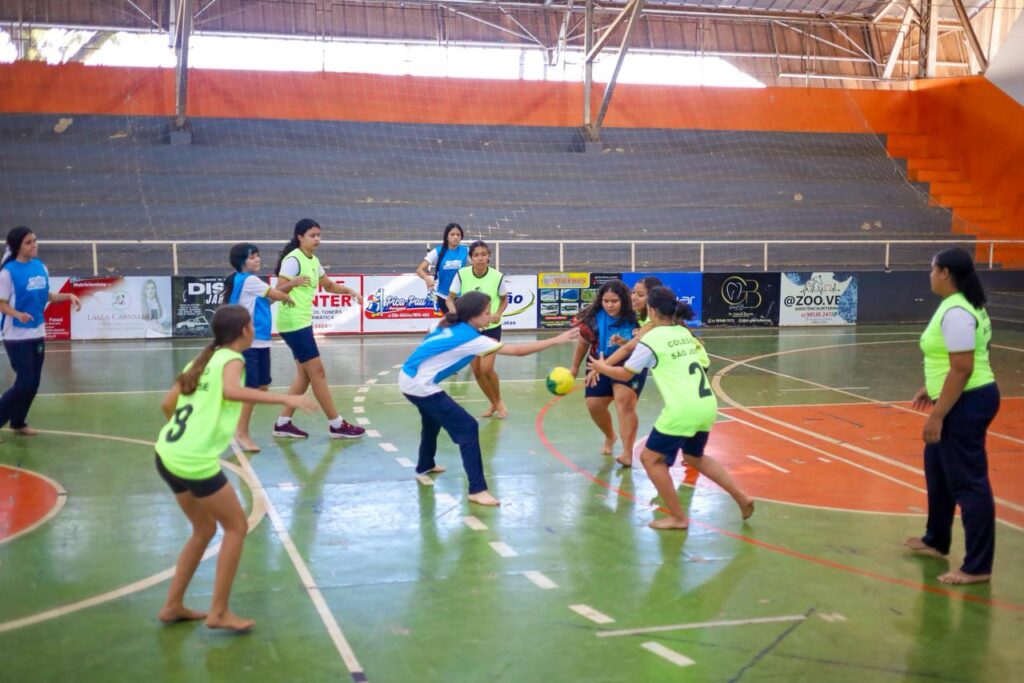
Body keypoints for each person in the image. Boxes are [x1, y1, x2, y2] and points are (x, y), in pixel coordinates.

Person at [155, 305, 316, 631]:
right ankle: (218, 612)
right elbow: (231, 390)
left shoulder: (201, 361)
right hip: (194, 462)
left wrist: (188, 434)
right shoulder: (232, 359)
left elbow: (167, 404)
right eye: (251, 324)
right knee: (236, 527)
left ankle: (172, 605)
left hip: (167, 454)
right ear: (245, 330)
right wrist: (288, 400)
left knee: (204, 529)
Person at [588, 286, 754, 530]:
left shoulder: (651, 339)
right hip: (706, 404)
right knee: (694, 457)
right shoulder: (683, 332)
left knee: (649, 459)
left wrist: (602, 368)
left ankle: (678, 517)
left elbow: (626, 374)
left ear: (652, 310)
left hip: (682, 410)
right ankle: (742, 497)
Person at [401, 291, 578, 506]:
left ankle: (425, 464)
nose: (491, 315)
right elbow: (518, 351)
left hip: (409, 378)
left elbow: (431, 337)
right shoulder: (472, 339)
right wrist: (555, 340)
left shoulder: (449, 323)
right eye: (487, 313)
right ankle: (477, 490)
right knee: (467, 427)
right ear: (473, 316)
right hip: (420, 385)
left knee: (432, 420)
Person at [905, 247, 1000, 586]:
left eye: (932, 269)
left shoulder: (958, 310)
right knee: (937, 469)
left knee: (968, 483)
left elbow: (963, 367)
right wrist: (930, 387)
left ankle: (978, 566)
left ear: (945, 273)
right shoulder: (960, 305)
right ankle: (936, 539)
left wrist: (938, 415)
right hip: (961, 396)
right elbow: (958, 358)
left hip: (967, 402)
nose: (929, 275)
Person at [272, 218, 366, 439]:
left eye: (318, 235)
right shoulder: (293, 260)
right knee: (318, 373)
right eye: (312, 235)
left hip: (302, 322)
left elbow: (329, 286)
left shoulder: (313, 261)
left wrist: (351, 291)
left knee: (305, 376)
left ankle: (283, 423)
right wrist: (292, 285)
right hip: (293, 323)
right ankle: (336, 424)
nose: (317, 239)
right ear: (300, 237)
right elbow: (277, 291)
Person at [223, 242, 306, 452]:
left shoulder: (250, 283)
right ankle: (241, 432)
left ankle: (237, 421)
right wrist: (288, 295)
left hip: (260, 341)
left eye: (258, 255)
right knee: (252, 389)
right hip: (248, 342)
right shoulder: (249, 280)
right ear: (241, 262)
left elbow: (268, 300)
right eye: (252, 257)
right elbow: (276, 295)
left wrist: (291, 284)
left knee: (261, 387)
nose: (257, 259)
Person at [0, 227, 81, 438]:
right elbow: (2, 303)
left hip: (37, 332)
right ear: (17, 247)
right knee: (24, 383)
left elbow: (46, 296)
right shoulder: (7, 273)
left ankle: (18, 422)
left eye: (34, 241)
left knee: (33, 384)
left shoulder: (40, 267)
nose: (34, 245)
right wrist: (17, 314)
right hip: (16, 336)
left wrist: (68, 296)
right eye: (28, 242)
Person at [569, 279, 645, 467]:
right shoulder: (594, 319)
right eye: (606, 301)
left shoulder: (636, 316)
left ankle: (627, 453)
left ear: (624, 300)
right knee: (593, 404)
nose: (610, 305)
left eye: (614, 301)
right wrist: (574, 367)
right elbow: (583, 343)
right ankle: (610, 435)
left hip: (630, 363)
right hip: (599, 361)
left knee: (624, 403)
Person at [446, 240, 509, 418]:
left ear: (489, 256)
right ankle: (493, 403)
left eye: (483, 254)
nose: (480, 258)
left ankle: (499, 403)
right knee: (477, 371)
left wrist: (498, 313)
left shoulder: (497, 276)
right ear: (471, 258)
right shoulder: (462, 274)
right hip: (470, 330)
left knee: (487, 368)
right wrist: (454, 312)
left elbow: (504, 299)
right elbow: (449, 299)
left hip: (491, 328)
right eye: (476, 255)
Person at [416, 223, 469, 314]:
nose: (455, 237)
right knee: (452, 319)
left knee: (459, 320)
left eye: (458, 235)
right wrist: (427, 278)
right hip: (443, 296)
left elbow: (477, 264)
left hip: (460, 295)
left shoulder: (466, 251)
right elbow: (419, 269)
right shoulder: (438, 251)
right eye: (452, 234)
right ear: (447, 236)